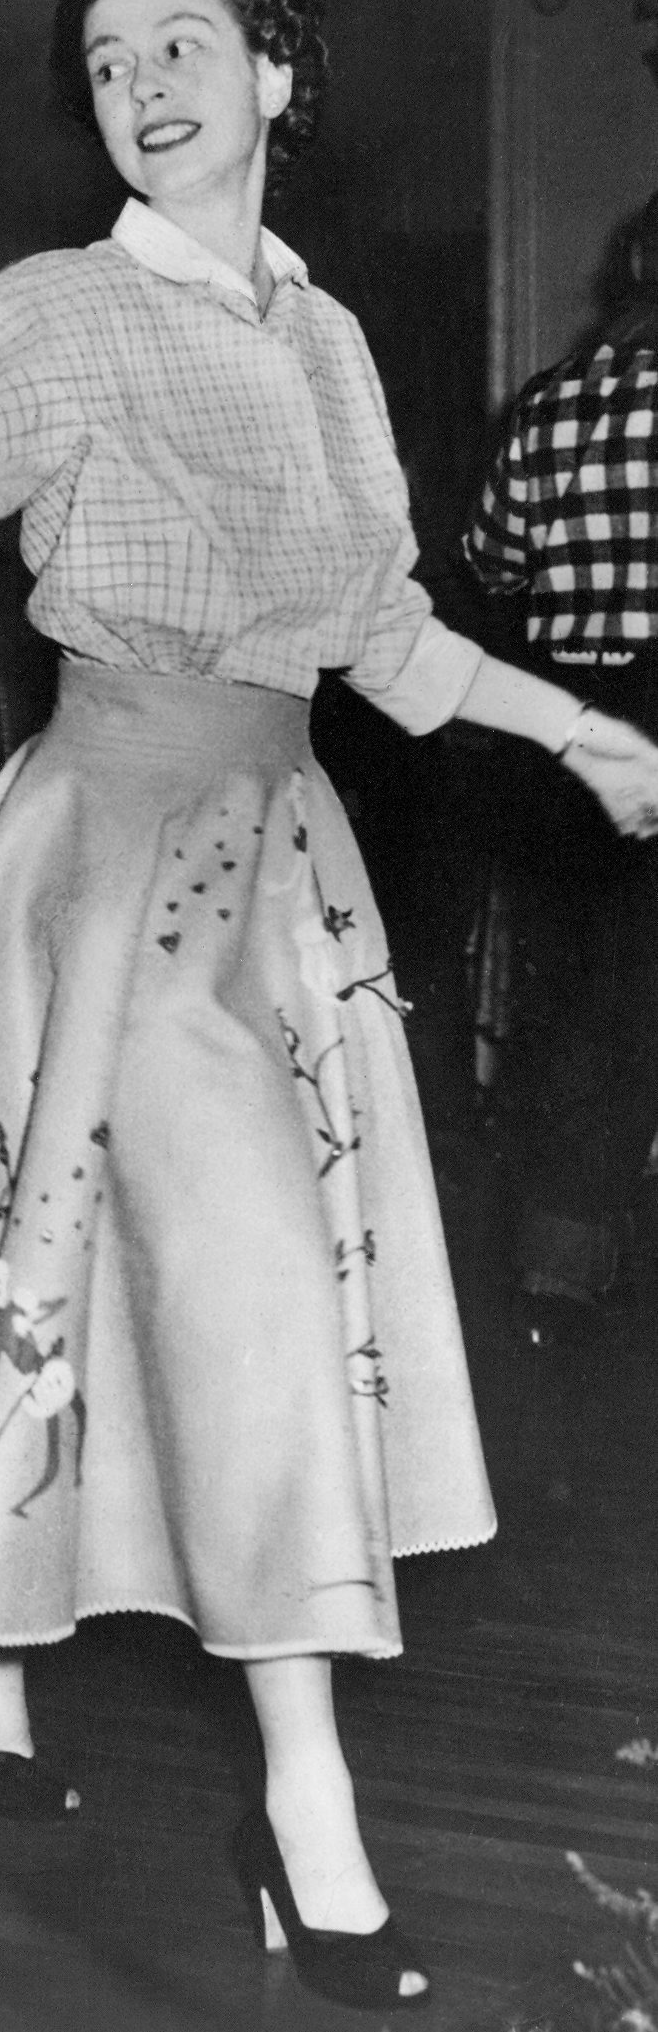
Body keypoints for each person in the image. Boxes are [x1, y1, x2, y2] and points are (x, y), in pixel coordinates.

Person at [0, 0, 658, 2013]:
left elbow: (383, 632)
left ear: (276, 74)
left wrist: (583, 731)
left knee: (108, 1287)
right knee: (213, 1303)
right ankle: (303, 1816)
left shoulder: (323, 337)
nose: (140, 86)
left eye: (179, 44)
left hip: (282, 862)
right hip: (109, 847)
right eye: (105, 62)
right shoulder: (60, 307)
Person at [462, 191, 658, 1346]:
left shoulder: (551, 401)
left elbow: (490, 559)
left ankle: (560, 1265)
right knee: (630, 998)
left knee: (576, 991)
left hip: (567, 725)